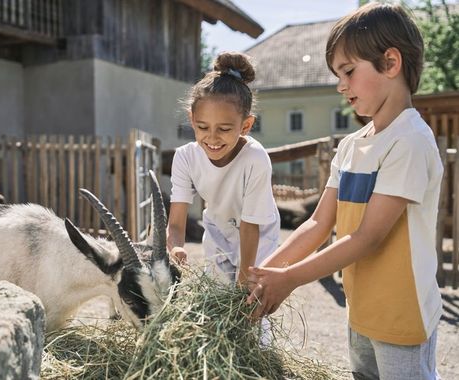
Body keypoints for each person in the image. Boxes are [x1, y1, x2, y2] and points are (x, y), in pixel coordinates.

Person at [247, 3, 443, 379]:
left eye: (349, 72)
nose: (340, 85)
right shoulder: (352, 146)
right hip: (361, 310)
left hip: (402, 316)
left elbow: (369, 237)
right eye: (338, 74)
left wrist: (290, 279)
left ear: (390, 63)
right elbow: (318, 223)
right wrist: (265, 274)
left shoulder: (410, 141)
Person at [167, 51, 280, 285]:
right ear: (192, 120)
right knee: (215, 297)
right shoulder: (185, 158)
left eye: (225, 129)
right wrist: (176, 247)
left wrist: (244, 279)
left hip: (258, 236)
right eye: (202, 126)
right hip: (218, 230)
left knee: (251, 303)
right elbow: (176, 223)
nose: (212, 138)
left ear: (246, 125)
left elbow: (250, 225)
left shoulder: (255, 159)